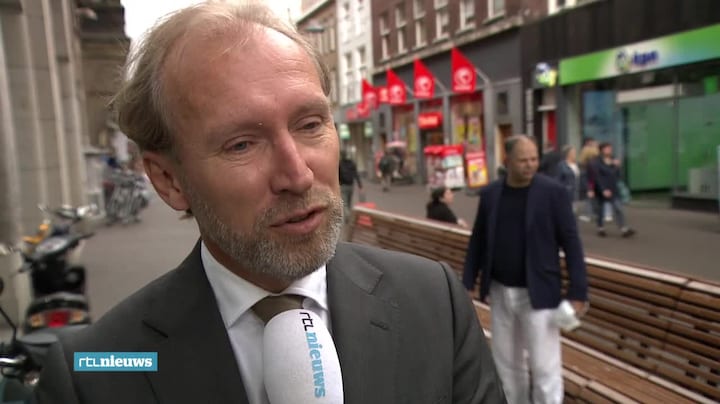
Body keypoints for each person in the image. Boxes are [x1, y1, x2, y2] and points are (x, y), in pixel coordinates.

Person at [33, 3, 505, 404]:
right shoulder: (95, 370)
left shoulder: (434, 304)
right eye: (241, 144)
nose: (298, 175)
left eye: (310, 124)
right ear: (168, 179)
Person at [463, 135, 589, 404]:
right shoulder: (491, 194)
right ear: (507, 160)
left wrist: (578, 291)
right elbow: (478, 239)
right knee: (507, 366)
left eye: (534, 159)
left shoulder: (553, 193)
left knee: (544, 368)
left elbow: (571, 242)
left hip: (539, 293)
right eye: (523, 160)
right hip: (500, 291)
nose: (530, 164)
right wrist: (468, 280)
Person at [588, 142, 636, 238]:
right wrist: (603, 190)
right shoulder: (596, 162)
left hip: (613, 189)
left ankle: (623, 229)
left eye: (610, 148)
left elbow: (617, 175)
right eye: (608, 148)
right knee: (600, 210)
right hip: (601, 190)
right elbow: (597, 177)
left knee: (618, 208)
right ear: (602, 150)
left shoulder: (613, 160)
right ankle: (600, 228)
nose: (610, 150)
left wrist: (617, 166)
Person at [338, 150, 363, 223]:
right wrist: (360, 185)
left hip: (343, 186)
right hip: (351, 186)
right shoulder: (352, 163)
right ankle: (348, 215)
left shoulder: (340, 164)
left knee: (345, 203)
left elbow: (337, 175)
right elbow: (356, 174)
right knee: (349, 202)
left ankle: (347, 215)